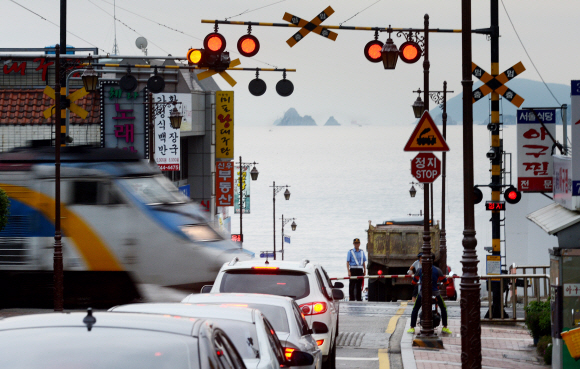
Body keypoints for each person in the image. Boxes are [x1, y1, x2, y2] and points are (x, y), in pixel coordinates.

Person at [407, 264, 452, 335]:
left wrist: (415, 283)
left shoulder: (419, 270)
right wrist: (444, 284)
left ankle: (412, 328)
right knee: (443, 308)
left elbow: (413, 282)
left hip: (423, 294)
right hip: (436, 294)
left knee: (415, 308)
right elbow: (446, 282)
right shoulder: (438, 270)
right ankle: (445, 327)